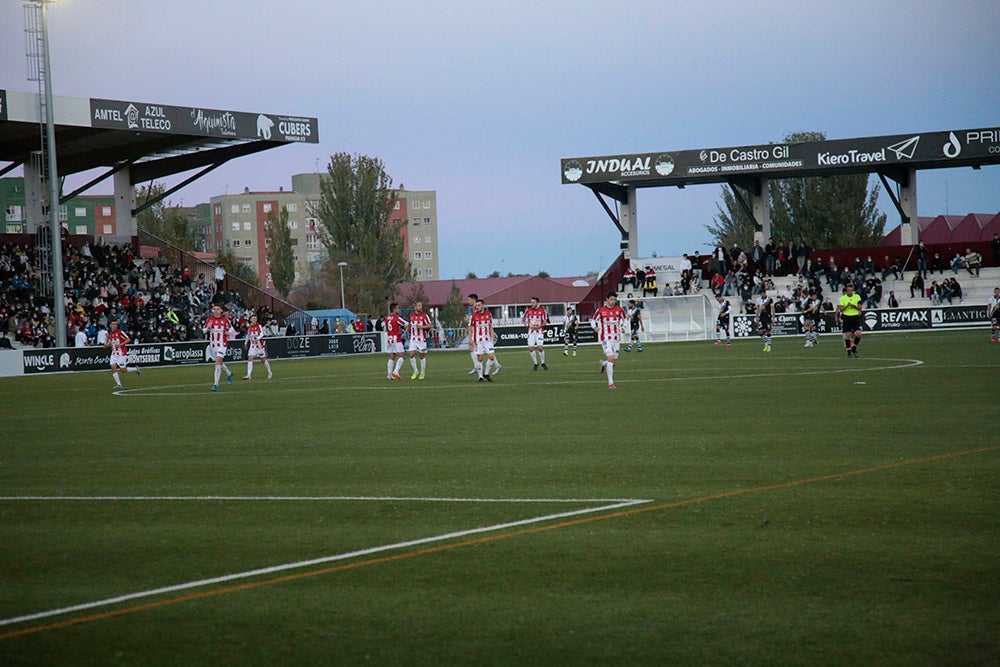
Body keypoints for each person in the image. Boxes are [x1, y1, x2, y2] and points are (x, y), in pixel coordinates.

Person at [592, 291, 627, 389]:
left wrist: (624, 326)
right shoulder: (601, 310)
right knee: (611, 359)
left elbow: (626, 319)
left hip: (616, 339)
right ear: (607, 299)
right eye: (611, 299)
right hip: (606, 338)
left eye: (614, 300)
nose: (613, 301)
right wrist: (595, 327)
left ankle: (604, 363)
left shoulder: (619, 310)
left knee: (613, 362)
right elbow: (593, 320)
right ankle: (611, 383)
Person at [204, 303, 237, 391]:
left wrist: (228, 333)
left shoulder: (225, 320)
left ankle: (215, 384)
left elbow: (232, 329)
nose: (216, 311)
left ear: (221, 310)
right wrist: (208, 328)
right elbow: (204, 330)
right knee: (219, 362)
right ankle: (229, 373)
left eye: (218, 309)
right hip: (213, 345)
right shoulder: (209, 320)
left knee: (217, 362)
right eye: (214, 309)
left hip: (222, 344)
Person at [105, 318, 141, 388]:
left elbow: (128, 339)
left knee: (123, 370)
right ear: (110, 325)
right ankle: (119, 384)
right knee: (113, 368)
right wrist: (106, 345)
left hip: (121, 353)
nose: (114, 325)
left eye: (115, 324)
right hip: (114, 353)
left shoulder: (120, 332)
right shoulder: (110, 334)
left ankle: (135, 369)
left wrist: (121, 344)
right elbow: (111, 344)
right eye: (113, 324)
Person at [469, 299, 499, 382]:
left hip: (487, 340)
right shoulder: (474, 316)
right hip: (478, 340)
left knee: (491, 357)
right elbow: (471, 328)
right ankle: (480, 376)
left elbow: (490, 325)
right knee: (480, 358)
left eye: (479, 305)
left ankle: (486, 373)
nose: (477, 307)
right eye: (476, 306)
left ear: (482, 305)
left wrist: (492, 333)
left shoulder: (488, 314)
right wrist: (470, 339)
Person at [836, 282, 863, 358]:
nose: (851, 292)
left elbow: (860, 307)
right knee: (848, 335)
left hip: (855, 317)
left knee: (859, 334)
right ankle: (848, 352)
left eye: (852, 290)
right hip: (847, 317)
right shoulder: (843, 298)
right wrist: (847, 306)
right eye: (849, 290)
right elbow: (841, 309)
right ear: (846, 291)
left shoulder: (857, 297)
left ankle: (854, 348)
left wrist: (853, 306)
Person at [242, 313, 273, 380]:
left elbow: (262, 334)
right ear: (250, 319)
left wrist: (257, 339)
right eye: (253, 318)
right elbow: (248, 336)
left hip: (259, 346)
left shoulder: (259, 326)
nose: (254, 320)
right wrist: (245, 343)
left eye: (255, 318)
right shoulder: (249, 327)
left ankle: (270, 372)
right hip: (253, 346)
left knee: (263, 360)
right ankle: (248, 375)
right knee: (250, 358)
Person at [522, 296, 549, 370]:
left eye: (533, 302)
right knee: (531, 348)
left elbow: (545, 322)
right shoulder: (528, 310)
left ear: (537, 303)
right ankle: (535, 363)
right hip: (531, 332)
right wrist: (526, 324)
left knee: (540, 348)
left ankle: (543, 363)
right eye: (531, 302)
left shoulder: (542, 311)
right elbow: (523, 319)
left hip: (539, 332)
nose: (532, 304)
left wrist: (539, 326)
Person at [407, 300, 432, 379]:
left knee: (421, 356)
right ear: (415, 307)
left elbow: (429, 326)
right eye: (419, 305)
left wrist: (421, 327)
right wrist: (404, 333)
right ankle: (415, 371)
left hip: (421, 339)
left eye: (421, 305)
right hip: (413, 339)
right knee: (411, 354)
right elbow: (409, 325)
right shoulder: (411, 316)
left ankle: (422, 372)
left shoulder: (424, 316)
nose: (420, 307)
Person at [384, 302, 408, 380]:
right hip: (396, 338)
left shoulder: (387, 318)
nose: (398, 310)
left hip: (389, 338)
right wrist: (404, 332)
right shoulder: (397, 318)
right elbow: (407, 324)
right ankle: (396, 371)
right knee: (402, 356)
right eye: (397, 308)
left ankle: (389, 375)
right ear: (394, 310)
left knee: (392, 356)